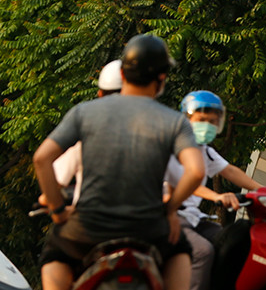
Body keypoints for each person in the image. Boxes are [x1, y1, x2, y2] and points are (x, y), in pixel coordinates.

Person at [33, 34, 205, 290]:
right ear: (161, 79)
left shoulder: (84, 112)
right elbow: (196, 171)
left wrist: (58, 212)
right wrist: (169, 211)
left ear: (123, 74)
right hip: (149, 231)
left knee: (54, 255)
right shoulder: (175, 122)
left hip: (86, 230)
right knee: (181, 251)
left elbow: (41, 158)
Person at [165, 91, 262, 290]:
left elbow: (230, 171)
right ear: (186, 119)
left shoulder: (205, 151)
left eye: (212, 121)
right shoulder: (174, 148)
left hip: (194, 218)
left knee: (233, 244)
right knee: (203, 252)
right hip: (169, 216)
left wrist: (264, 190)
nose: (207, 125)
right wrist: (216, 196)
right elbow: (188, 182)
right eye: (201, 120)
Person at [49, 60, 124, 208]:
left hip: (89, 217)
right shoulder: (154, 134)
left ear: (100, 94)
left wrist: (55, 209)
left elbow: (54, 179)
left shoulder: (83, 139)